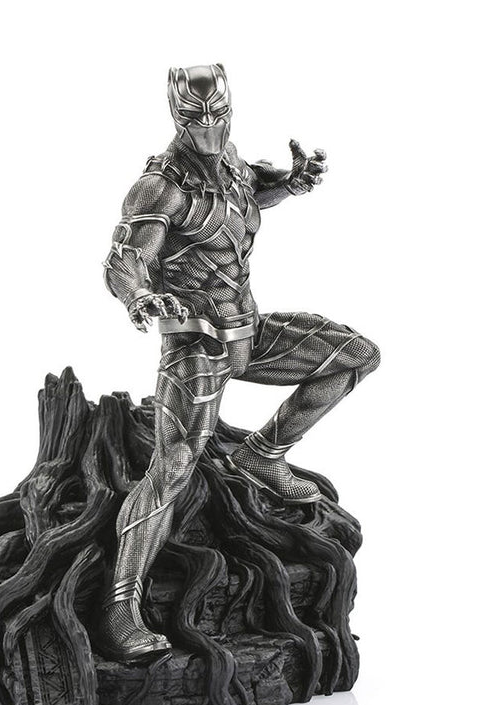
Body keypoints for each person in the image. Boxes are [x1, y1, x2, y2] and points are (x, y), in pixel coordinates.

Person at [99, 64, 380, 661]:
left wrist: (293, 183)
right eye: (194, 117)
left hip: (247, 331)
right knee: (173, 468)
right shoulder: (159, 185)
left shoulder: (230, 165)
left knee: (355, 355)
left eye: (217, 114)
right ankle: (121, 607)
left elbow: (248, 196)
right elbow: (123, 259)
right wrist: (141, 295)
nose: (207, 127)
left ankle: (262, 455)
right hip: (195, 347)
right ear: (175, 115)